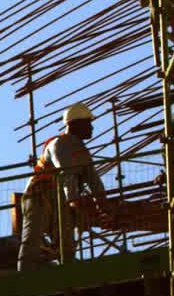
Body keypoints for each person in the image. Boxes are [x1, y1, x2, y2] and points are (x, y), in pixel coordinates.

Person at [17, 103, 109, 271]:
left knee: (66, 243)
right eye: (88, 123)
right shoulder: (59, 144)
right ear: (74, 124)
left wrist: (104, 206)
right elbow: (67, 175)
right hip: (39, 196)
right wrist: (75, 202)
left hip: (60, 200)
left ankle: (69, 274)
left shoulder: (81, 150)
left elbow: (94, 181)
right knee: (32, 241)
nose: (92, 127)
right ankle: (24, 276)